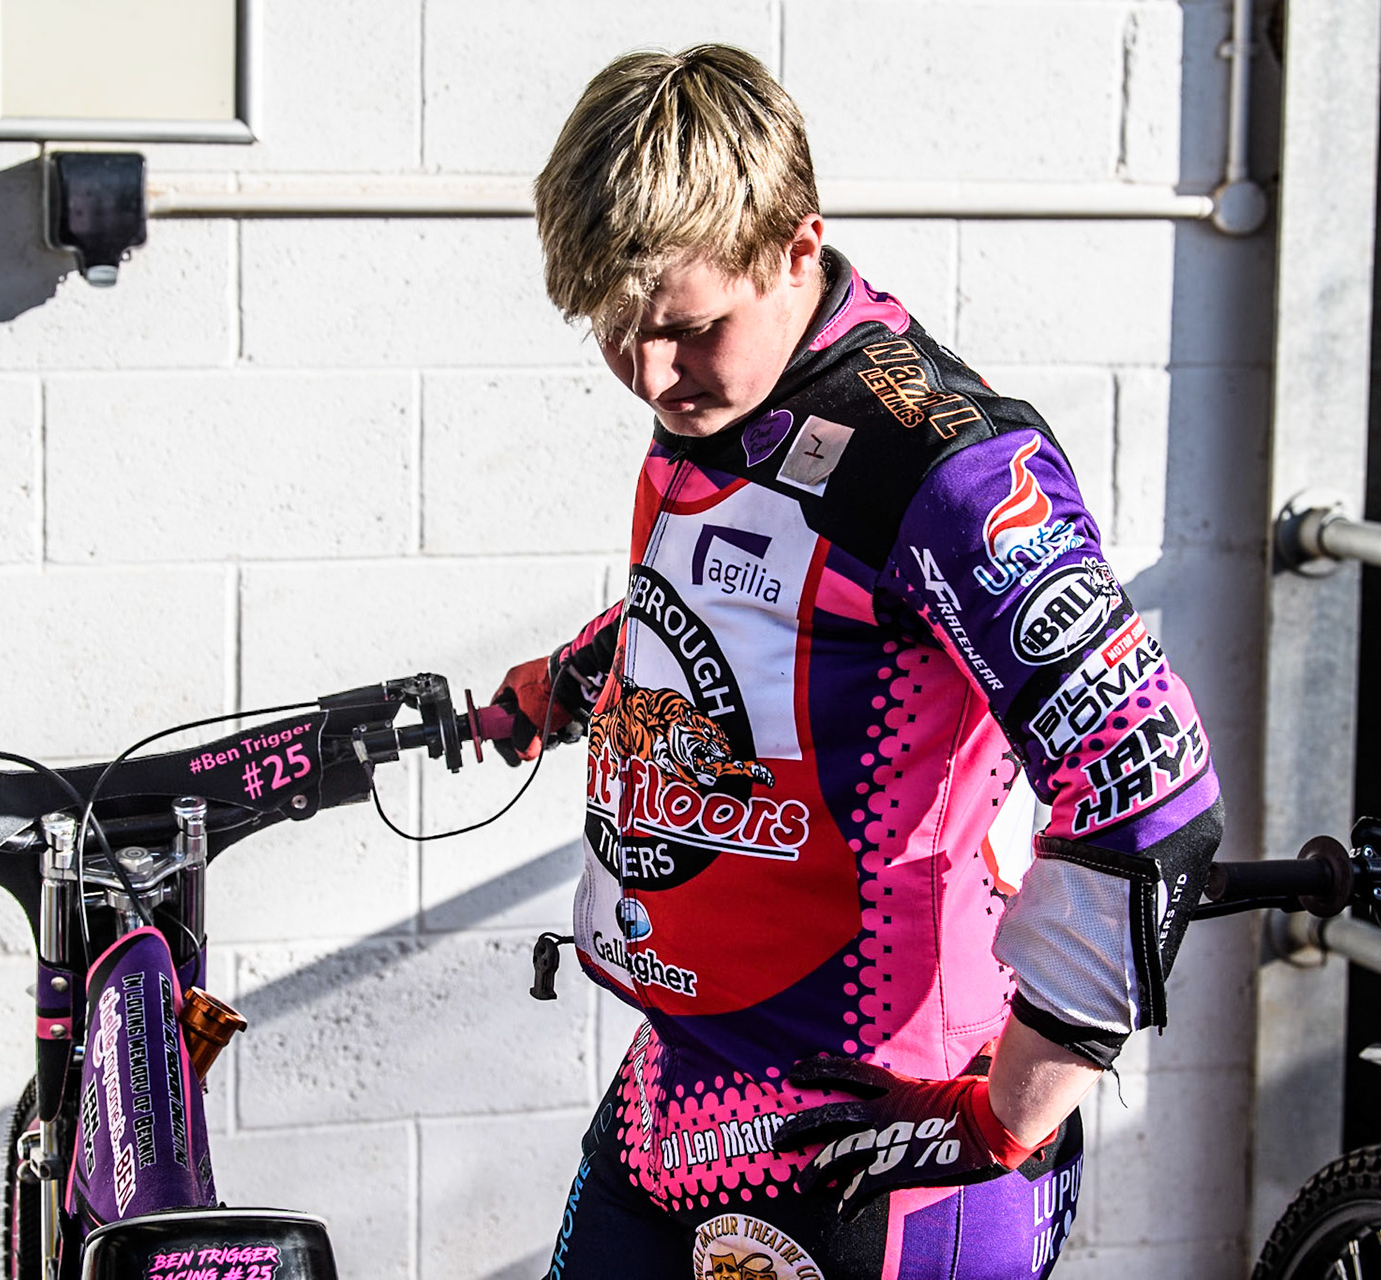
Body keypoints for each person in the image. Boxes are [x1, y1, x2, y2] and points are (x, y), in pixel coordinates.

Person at [493, 44, 1223, 1280]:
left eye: (684, 330)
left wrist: (1007, 1112)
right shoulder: (729, 397)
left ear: (797, 244)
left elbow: (1152, 790)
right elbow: (745, 614)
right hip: (679, 1092)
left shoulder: (949, 468)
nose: (652, 375)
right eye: (617, 336)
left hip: (882, 1141)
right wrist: (565, 683)